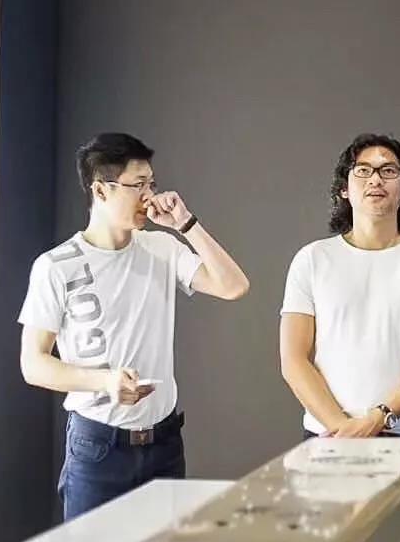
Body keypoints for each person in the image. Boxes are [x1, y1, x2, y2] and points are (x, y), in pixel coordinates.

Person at [19, 132, 249, 519]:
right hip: (97, 447)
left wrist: (185, 224)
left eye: (151, 184)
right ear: (101, 190)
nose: (148, 195)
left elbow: (234, 286)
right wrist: (105, 381)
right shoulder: (56, 265)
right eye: (137, 185)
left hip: (164, 444)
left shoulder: (161, 248)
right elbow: (33, 364)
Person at [279, 133, 400, 438]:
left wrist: (378, 418)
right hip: (328, 435)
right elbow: (293, 360)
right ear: (344, 189)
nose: (375, 179)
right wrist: (342, 428)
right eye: (363, 170)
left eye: (388, 170)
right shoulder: (311, 259)